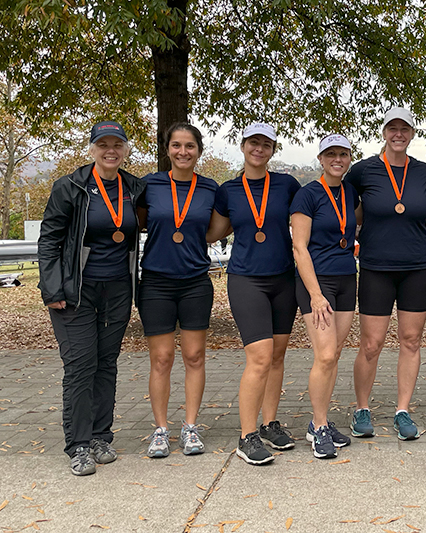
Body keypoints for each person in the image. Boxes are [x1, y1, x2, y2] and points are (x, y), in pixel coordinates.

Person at [38, 121, 145, 475]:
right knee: (81, 365)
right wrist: (52, 289)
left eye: (118, 144)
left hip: (116, 290)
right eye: (103, 144)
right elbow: (49, 240)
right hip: (74, 292)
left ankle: (101, 436)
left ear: (126, 149)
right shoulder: (70, 187)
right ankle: (78, 445)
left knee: (107, 363)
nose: (110, 150)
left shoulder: (134, 188)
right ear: (92, 149)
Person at [207, 123, 301, 465]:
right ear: (243, 145)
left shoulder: (287, 185)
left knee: (277, 356)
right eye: (253, 143)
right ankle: (246, 436)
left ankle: (269, 423)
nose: (259, 149)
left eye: (266, 144)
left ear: (273, 150)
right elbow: (213, 231)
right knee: (259, 357)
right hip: (247, 279)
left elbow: (306, 219)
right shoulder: (228, 190)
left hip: (283, 279)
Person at [346, 107, 426, 440]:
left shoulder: (424, 172)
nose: (398, 134)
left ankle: (402, 411)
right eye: (392, 128)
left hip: (416, 267)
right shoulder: (364, 170)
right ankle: (361, 408)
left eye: (405, 129)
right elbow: (345, 204)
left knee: (411, 341)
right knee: (371, 343)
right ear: (383, 132)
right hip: (376, 267)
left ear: (412, 133)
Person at [137, 123, 218, 458]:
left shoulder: (211, 189)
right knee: (162, 358)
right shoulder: (149, 185)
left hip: (195, 281)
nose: (183, 152)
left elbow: (214, 231)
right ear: (167, 149)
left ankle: (189, 427)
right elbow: (140, 221)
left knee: (194, 356)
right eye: (176, 146)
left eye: (190, 146)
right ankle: (160, 430)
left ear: (199, 151)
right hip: (156, 281)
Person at [291, 134, 359, 459]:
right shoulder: (308, 195)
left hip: (347, 278)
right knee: (326, 355)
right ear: (320, 159)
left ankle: (321, 419)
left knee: (335, 355)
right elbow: (299, 247)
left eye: (343, 154)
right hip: (317, 283)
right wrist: (316, 295)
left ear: (349, 158)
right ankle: (318, 427)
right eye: (330, 154)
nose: (337, 159)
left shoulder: (349, 191)